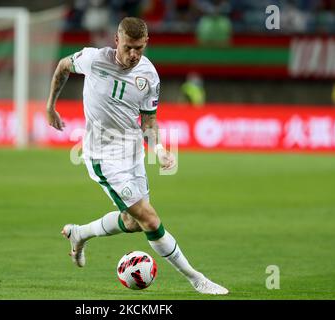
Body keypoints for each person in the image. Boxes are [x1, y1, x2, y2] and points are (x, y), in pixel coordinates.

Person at [46, 17, 228, 295]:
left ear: (146, 44)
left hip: (133, 153)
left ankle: (79, 233)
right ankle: (197, 278)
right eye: (129, 47)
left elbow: (149, 121)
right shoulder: (94, 60)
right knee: (149, 219)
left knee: (131, 222)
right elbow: (62, 66)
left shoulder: (149, 76)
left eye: (139, 49)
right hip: (103, 157)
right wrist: (51, 106)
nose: (133, 55)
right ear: (116, 41)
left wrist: (159, 149)